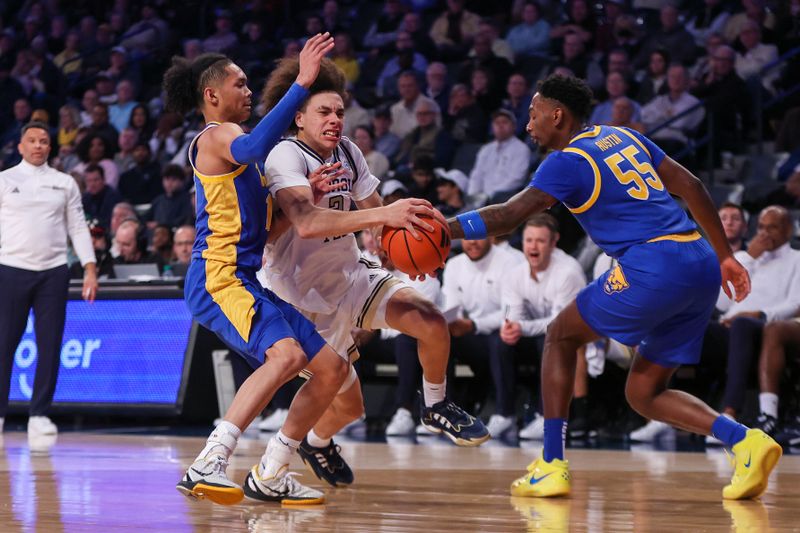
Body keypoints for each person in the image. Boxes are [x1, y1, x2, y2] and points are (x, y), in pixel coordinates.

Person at [445, 74, 780, 500]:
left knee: (560, 335)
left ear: (557, 114)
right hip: (698, 261)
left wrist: (445, 229)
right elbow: (692, 187)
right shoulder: (623, 136)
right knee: (644, 392)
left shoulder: (565, 161)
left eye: (532, 115)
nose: (528, 125)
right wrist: (726, 256)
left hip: (653, 264)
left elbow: (509, 217)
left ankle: (551, 464)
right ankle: (746, 442)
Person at [165, 35, 429, 506]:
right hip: (217, 275)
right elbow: (249, 148)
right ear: (212, 96)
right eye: (239, 84)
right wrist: (302, 83)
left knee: (330, 368)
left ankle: (272, 472)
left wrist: (303, 190)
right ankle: (209, 460)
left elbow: (267, 233)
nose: (247, 92)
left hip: (245, 276)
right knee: (285, 358)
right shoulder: (216, 136)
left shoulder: (245, 159)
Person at [260, 57, 489, 487]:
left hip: (352, 275)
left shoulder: (349, 151)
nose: (334, 120)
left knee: (431, 321)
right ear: (299, 117)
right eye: (324, 112)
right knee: (348, 408)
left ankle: (436, 406)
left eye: (339, 112)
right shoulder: (284, 156)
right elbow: (307, 222)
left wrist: (404, 251)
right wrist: (385, 214)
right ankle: (311, 444)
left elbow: (379, 217)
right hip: (302, 300)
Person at [0, 121, 97, 437]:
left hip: (54, 271)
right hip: (11, 268)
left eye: (44, 140)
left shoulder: (65, 182)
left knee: (50, 343)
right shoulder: (5, 180)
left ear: (50, 147)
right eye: (32, 140)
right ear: (21, 146)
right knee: (4, 344)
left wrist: (90, 268)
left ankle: (39, 414)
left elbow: (78, 228)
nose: (39, 145)